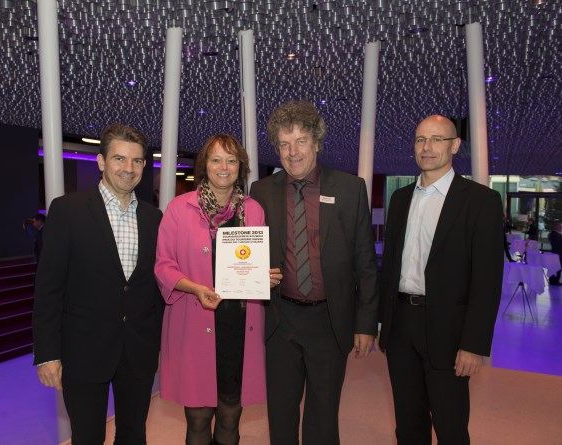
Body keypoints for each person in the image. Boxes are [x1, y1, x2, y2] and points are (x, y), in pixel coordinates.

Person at [250, 101, 378, 445]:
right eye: (284, 144)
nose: (292, 152)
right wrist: (253, 273)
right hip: (280, 319)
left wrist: (366, 324)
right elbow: (250, 249)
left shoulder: (350, 189)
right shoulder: (261, 191)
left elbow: (365, 262)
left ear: (317, 143)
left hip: (329, 320)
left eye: (301, 141)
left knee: (323, 414)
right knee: (281, 412)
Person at [32, 123, 163, 444]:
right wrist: (47, 353)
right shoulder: (67, 211)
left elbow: (154, 287)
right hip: (83, 351)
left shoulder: (154, 218)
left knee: (134, 435)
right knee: (87, 437)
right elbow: (48, 288)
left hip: (138, 351)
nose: (128, 168)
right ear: (101, 161)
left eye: (136, 160)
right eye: (119, 159)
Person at [379, 115, 504, 444]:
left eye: (437, 139)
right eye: (421, 139)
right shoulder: (400, 199)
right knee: (408, 424)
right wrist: (381, 322)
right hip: (401, 325)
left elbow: (487, 280)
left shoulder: (481, 201)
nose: (427, 147)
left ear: (455, 146)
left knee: (450, 427)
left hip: (449, 330)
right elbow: (389, 267)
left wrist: (473, 345)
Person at [155, 134, 282, 445]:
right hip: (194, 322)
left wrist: (264, 277)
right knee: (198, 418)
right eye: (216, 160)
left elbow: (254, 262)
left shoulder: (254, 210)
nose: (224, 167)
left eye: (231, 160)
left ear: (240, 166)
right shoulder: (179, 208)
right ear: (205, 165)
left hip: (238, 328)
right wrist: (194, 288)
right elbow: (163, 266)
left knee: (230, 415)